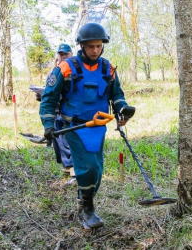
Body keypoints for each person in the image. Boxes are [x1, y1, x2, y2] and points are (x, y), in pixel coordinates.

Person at [40, 23, 130, 230]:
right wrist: (47, 125)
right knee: (87, 166)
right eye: (91, 47)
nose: (95, 50)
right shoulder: (66, 68)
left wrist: (122, 111)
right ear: (82, 46)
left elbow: (116, 95)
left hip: (98, 126)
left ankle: (85, 201)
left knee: (97, 169)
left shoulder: (108, 68)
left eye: (99, 46)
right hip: (74, 127)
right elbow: (48, 99)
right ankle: (87, 210)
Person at [36, 43, 75, 175]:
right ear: (57, 56)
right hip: (55, 111)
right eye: (61, 54)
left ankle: (73, 170)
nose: (63, 57)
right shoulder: (52, 73)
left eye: (66, 54)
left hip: (68, 111)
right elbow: (50, 94)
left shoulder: (74, 70)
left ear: (71, 54)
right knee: (58, 141)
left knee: (67, 142)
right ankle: (66, 167)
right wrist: (40, 95)